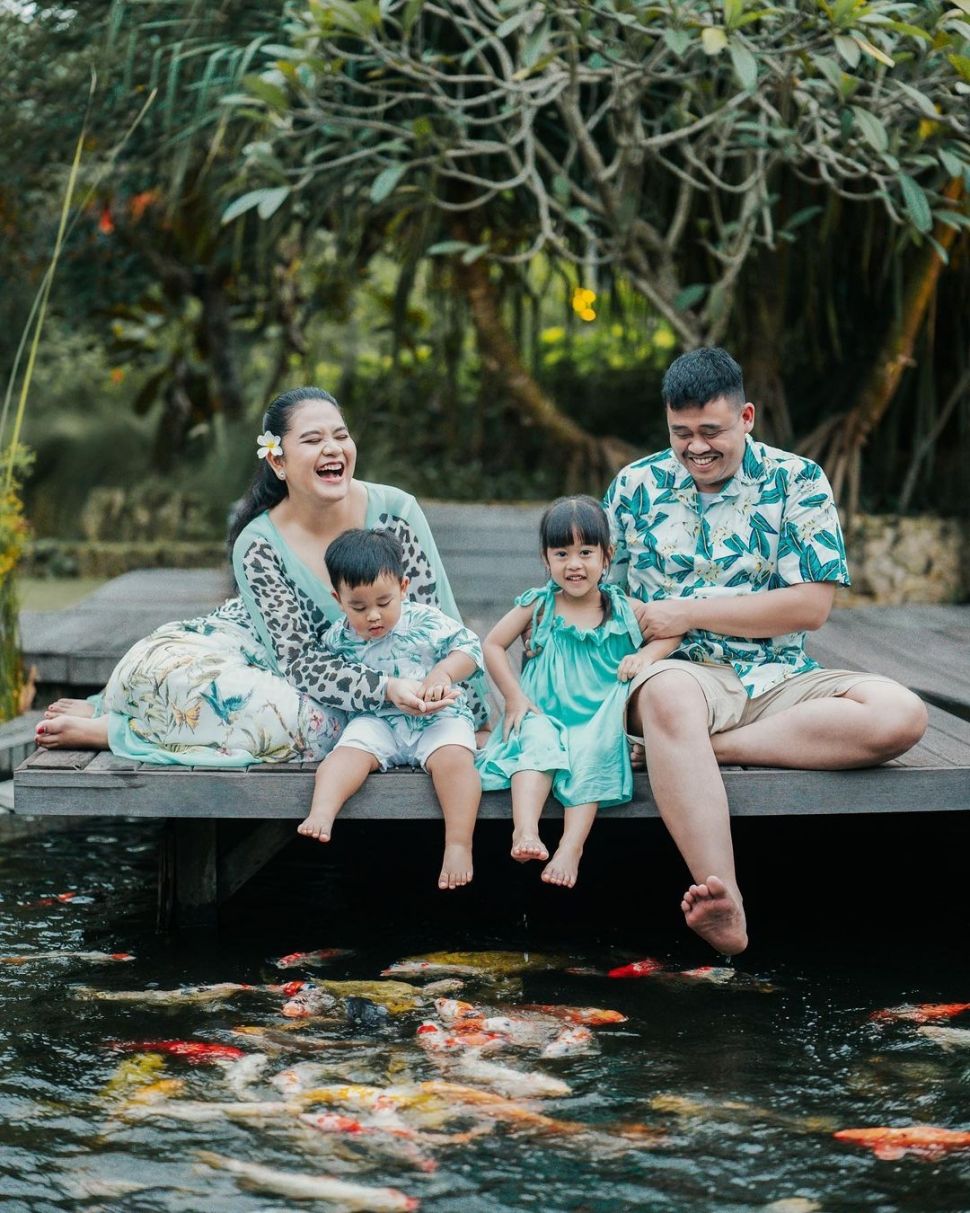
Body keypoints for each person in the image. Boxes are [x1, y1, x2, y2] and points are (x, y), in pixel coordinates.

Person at [604, 347, 928, 956]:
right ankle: (724, 899)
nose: (696, 448)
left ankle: (695, 753)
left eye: (711, 432)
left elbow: (810, 607)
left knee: (901, 713)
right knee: (672, 696)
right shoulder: (635, 485)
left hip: (776, 677)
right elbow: (586, 586)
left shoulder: (797, 480)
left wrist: (689, 609)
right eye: (681, 434)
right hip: (676, 675)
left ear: (747, 416)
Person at [35, 388, 490, 799]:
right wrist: (386, 689)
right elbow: (296, 661)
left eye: (341, 436)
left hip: (372, 666)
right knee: (155, 667)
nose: (332, 448)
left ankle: (120, 728)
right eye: (312, 440)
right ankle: (118, 723)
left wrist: (472, 710)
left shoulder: (396, 511)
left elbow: (438, 618)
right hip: (282, 656)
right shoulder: (258, 543)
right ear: (278, 461)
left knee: (298, 723)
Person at [477, 495, 681, 889]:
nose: (574, 564)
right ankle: (525, 831)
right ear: (545, 559)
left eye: (586, 552)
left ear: (607, 556)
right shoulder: (538, 607)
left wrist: (647, 656)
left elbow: (672, 632)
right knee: (534, 743)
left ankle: (571, 847)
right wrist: (515, 697)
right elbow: (492, 645)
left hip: (598, 718)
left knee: (595, 751)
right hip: (544, 711)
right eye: (562, 553)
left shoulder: (622, 608)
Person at [298, 528, 482, 889]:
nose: (373, 617)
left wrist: (443, 671)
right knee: (344, 756)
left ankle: (458, 844)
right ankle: (322, 810)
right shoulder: (337, 637)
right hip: (378, 718)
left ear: (403, 587)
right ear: (339, 599)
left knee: (456, 764)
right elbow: (325, 673)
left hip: (437, 716)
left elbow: (470, 649)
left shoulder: (426, 621)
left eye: (384, 602)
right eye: (359, 607)